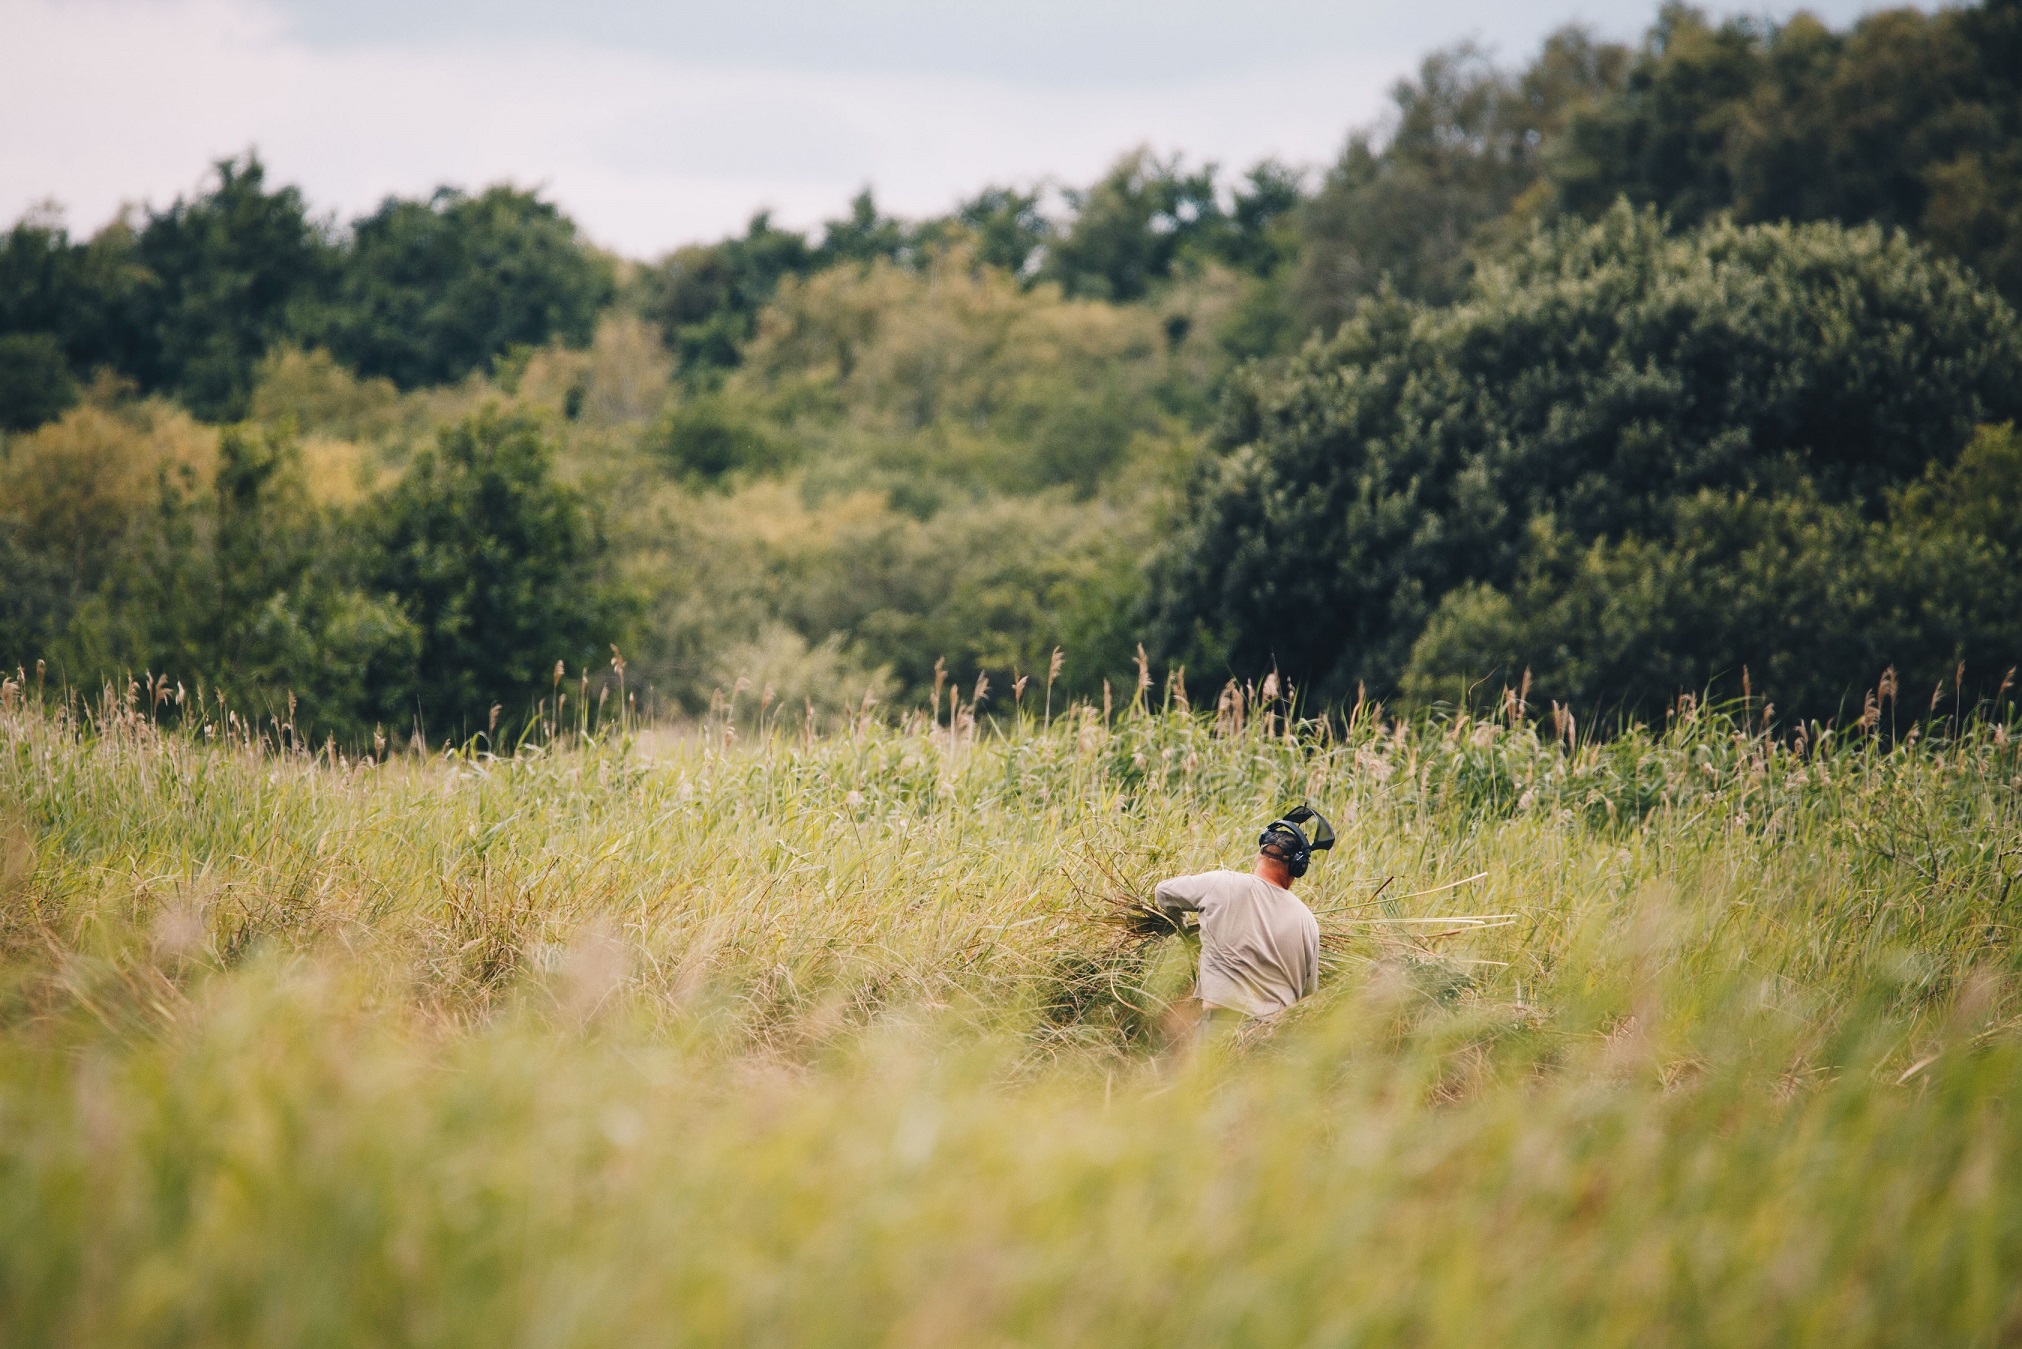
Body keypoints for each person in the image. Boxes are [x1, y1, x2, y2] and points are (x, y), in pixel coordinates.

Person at [1154, 807, 1332, 1040]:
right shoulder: (1307, 921)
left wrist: (1185, 931)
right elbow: (1309, 996)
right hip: (1272, 1040)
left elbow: (1163, 892)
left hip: (1218, 1031)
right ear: (1299, 867)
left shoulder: (1221, 884)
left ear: (1260, 854)